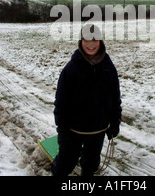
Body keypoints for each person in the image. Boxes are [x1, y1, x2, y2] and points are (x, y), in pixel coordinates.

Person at [51, 24, 122, 176]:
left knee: (91, 164)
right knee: (65, 163)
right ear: (81, 41)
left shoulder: (108, 67)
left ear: (100, 42)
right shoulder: (71, 69)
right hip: (72, 130)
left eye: (94, 40)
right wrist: (62, 127)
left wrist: (115, 121)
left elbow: (115, 97)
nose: (90, 44)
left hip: (98, 130)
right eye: (86, 40)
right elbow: (61, 101)